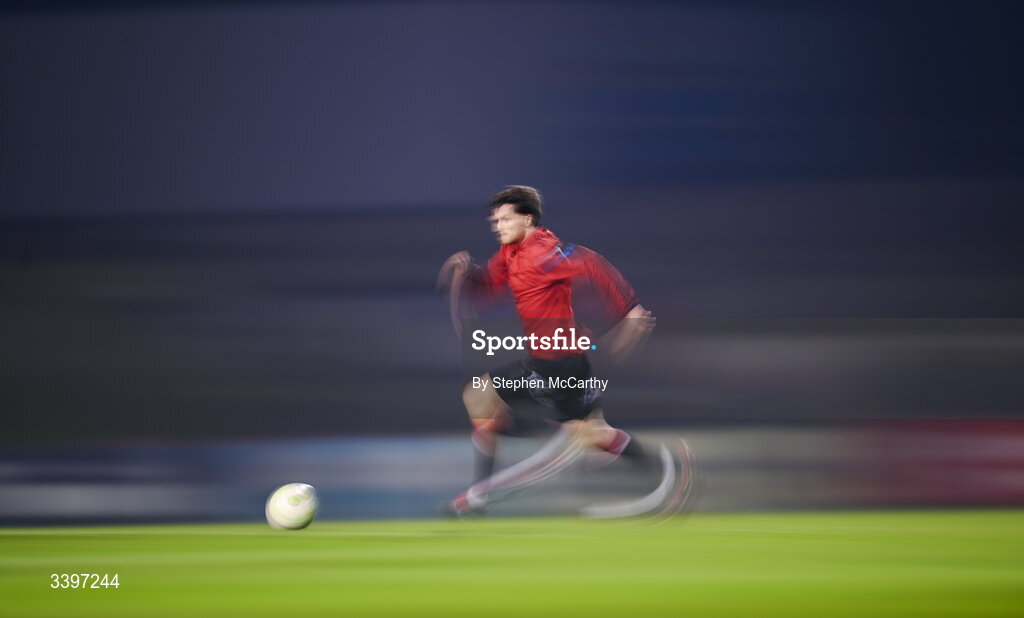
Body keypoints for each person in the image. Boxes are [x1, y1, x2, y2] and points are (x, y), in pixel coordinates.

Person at [437, 186, 683, 518]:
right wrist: (469, 276)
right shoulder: (510, 253)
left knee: (485, 399)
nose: (498, 226)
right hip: (554, 361)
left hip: (557, 367)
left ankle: (481, 492)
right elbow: (490, 286)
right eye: (495, 221)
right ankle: (666, 470)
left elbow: (590, 263)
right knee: (590, 432)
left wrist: (630, 308)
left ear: (527, 219)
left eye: (505, 219)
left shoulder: (545, 252)